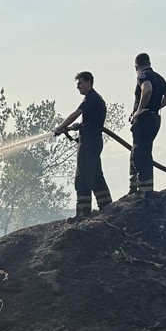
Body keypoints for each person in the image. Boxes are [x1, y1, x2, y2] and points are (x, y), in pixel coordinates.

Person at [53, 71, 112, 222]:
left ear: (89, 82)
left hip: (88, 143)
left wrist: (60, 128)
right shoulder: (97, 99)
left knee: (82, 178)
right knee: (96, 176)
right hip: (94, 141)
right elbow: (91, 121)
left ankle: (83, 213)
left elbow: (75, 114)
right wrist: (77, 126)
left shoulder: (90, 98)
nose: (78, 87)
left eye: (80, 83)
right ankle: (107, 206)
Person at [128, 52, 166, 194]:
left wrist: (140, 110)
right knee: (141, 151)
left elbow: (147, 89)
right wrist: (157, 106)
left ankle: (143, 191)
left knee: (140, 153)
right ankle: (137, 187)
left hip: (145, 120)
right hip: (155, 118)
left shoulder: (143, 76)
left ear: (136, 67)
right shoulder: (158, 77)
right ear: (150, 63)